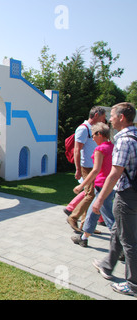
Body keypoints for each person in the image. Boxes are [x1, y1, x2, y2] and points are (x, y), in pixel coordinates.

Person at [91, 102, 137, 297]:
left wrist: (100, 199)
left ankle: (133, 284)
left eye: (113, 115)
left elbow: (115, 173)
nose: (109, 119)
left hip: (126, 195)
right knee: (119, 230)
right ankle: (108, 265)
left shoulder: (125, 140)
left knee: (129, 241)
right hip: (133, 193)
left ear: (122, 118)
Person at [71, 122, 114, 247]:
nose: (92, 138)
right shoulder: (111, 147)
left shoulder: (100, 149)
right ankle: (83, 238)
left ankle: (121, 246)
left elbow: (95, 170)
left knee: (109, 218)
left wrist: (81, 185)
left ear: (99, 134)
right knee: (92, 213)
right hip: (110, 186)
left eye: (93, 135)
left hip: (102, 186)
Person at [67, 106, 106, 232]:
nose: (104, 121)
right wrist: (78, 169)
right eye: (103, 118)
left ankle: (86, 225)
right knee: (90, 195)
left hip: (95, 166)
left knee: (92, 195)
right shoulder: (83, 129)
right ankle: (73, 217)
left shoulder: (93, 129)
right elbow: (77, 150)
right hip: (87, 167)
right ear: (96, 115)